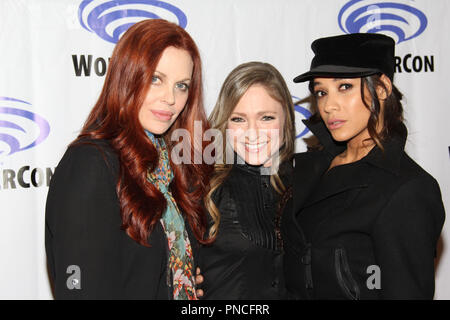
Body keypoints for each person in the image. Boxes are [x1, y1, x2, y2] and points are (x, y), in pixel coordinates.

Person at [45, 19, 212, 299]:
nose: (170, 98)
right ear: (127, 75)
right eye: (156, 79)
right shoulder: (91, 163)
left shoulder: (170, 165)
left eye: (182, 85)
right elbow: (80, 288)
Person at [282, 33, 445, 299]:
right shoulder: (309, 168)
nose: (329, 105)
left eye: (344, 86)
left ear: (382, 88)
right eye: (321, 92)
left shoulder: (408, 189)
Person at [198, 61, 295, 299]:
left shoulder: (302, 184)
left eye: (266, 118)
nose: (253, 132)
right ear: (225, 124)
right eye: (239, 119)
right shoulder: (204, 187)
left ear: (286, 121)